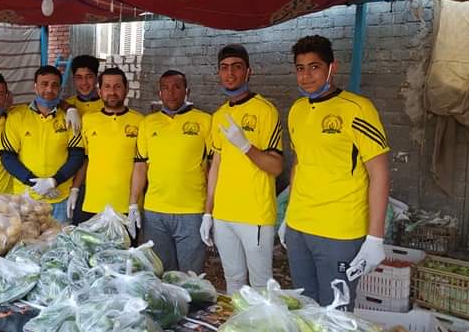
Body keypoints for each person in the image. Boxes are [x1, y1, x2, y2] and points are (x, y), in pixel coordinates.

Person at [283, 35, 390, 307]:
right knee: (305, 308)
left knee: (335, 313)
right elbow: (299, 163)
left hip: (339, 231)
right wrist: (288, 216)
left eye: (314, 67)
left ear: (333, 67)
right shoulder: (296, 110)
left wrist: (375, 237)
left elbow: (379, 173)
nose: (306, 76)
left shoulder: (358, 109)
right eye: (300, 68)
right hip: (298, 228)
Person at [200, 45, 284, 293]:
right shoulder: (219, 115)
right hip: (224, 214)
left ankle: (263, 321)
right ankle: (238, 320)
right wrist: (208, 212)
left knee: (261, 285)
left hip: (254, 214)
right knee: (233, 280)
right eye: (224, 68)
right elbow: (216, 165)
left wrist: (246, 146)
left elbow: (276, 166)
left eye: (237, 67)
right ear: (218, 72)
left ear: (249, 71)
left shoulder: (266, 110)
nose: (230, 73)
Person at [129, 70, 211, 273]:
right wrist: (133, 203)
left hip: (192, 211)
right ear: (159, 93)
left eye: (176, 87)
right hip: (155, 212)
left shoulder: (205, 121)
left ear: (187, 91)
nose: (171, 92)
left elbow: (212, 167)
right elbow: (140, 166)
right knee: (162, 274)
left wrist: (210, 210)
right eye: (165, 88)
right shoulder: (148, 123)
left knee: (191, 276)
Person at [0, 66, 85, 223]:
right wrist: (34, 183)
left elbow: (77, 156)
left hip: (60, 198)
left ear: (60, 89)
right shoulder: (17, 116)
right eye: (44, 84)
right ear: (35, 87)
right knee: (25, 238)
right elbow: (7, 156)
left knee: (59, 239)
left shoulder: (69, 118)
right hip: (25, 199)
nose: (49, 89)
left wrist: (53, 181)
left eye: (54, 85)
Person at [74, 67, 143, 229]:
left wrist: (134, 204)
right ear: (99, 91)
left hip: (127, 207)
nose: (112, 92)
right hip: (92, 204)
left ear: (126, 89)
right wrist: (75, 189)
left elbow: (142, 166)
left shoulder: (140, 121)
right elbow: (84, 159)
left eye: (117, 87)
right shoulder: (88, 120)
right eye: (107, 87)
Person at [64, 55, 104, 223]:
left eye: (88, 77)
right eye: (79, 78)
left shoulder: (106, 105)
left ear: (96, 77)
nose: (84, 83)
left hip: (100, 180)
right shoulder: (67, 105)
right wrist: (69, 107)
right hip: (71, 181)